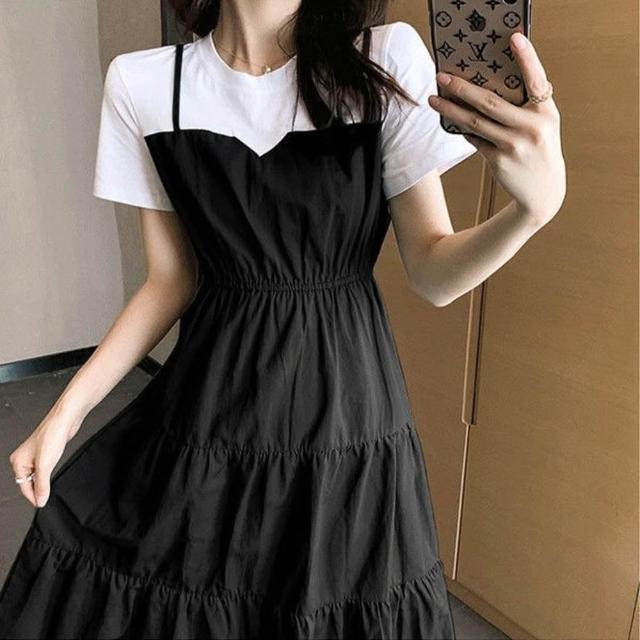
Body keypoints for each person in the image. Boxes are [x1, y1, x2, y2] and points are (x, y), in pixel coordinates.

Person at [0, 0, 565, 637]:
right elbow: (169, 281)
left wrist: (531, 212)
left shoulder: (383, 58)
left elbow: (433, 274)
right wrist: (65, 413)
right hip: (210, 406)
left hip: (346, 409)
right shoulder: (145, 83)